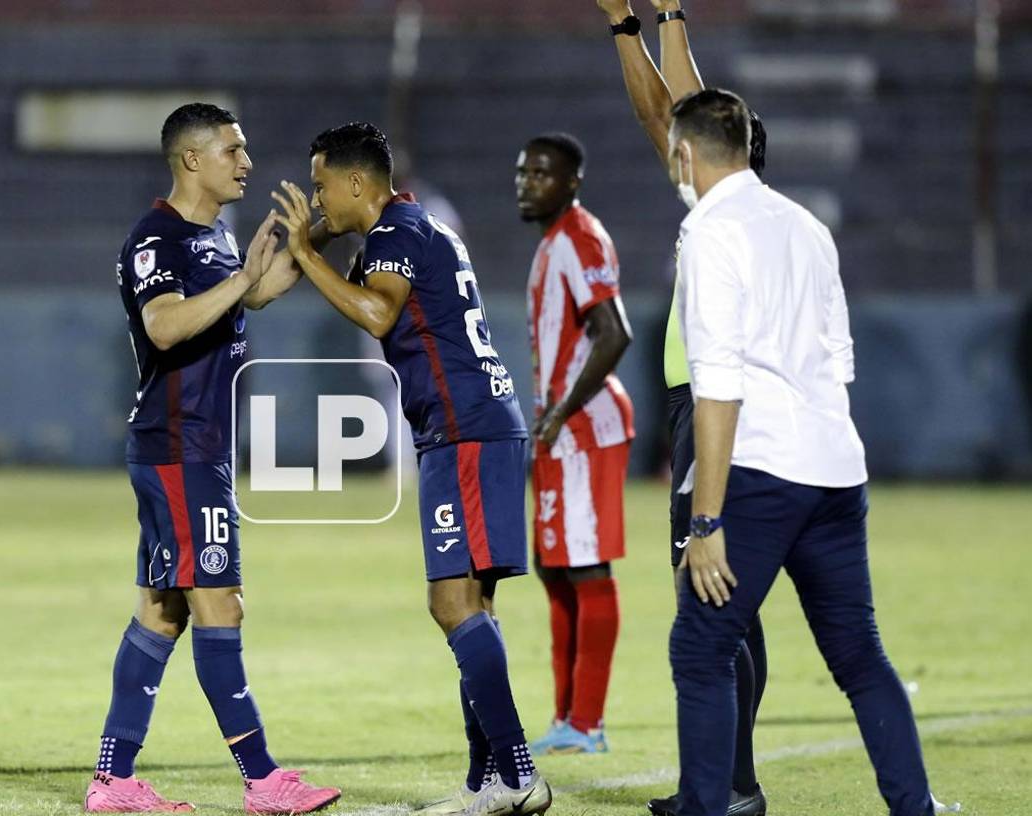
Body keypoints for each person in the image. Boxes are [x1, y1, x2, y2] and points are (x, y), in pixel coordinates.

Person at [666, 87, 938, 816]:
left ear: (683, 153)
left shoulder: (708, 233)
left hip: (760, 473)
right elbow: (838, 362)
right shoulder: (809, 226)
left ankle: (705, 808)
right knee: (858, 657)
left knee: (700, 649)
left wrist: (706, 521)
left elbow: (717, 385)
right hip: (835, 468)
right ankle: (916, 808)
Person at [270, 122, 552, 816]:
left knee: (450, 604)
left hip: (462, 432)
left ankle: (517, 772)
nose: (315, 196)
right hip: (476, 425)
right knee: (474, 609)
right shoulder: (415, 226)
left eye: (321, 183)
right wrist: (325, 237)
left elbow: (375, 311)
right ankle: (489, 781)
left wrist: (307, 253)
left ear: (357, 182)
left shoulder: (394, 233)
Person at [86, 102, 340, 815]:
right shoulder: (157, 239)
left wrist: (315, 231)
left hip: (197, 447)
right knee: (220, 602)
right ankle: (263, 781)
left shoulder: (214, 235)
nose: (247, 163)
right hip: (179, 446)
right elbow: (165, 325)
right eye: (234, 150)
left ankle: (113, 781)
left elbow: (253, 294)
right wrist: (237, 282)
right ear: (192, 159)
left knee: (163, 612)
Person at [594, 2, 768, 811]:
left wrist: (639, 22)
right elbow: (675, 116)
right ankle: (736, 782)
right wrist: (655, 19)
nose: (675, 153)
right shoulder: (744, 210)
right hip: (708, 399)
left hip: (712, 401)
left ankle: (726, 788)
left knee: (707, 589)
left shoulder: (728, 210)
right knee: (726, 597)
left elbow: (665, 114)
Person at [515, 132, 634, 756]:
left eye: (542, 173)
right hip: (558, 429)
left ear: (572, 182)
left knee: (587, 568)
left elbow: (614, 333)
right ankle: (568, 720)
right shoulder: (551, 243)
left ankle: (588, 723)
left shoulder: (580, 237)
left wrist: (561, 412)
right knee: (555, 569)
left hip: (584, 429)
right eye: (523, 172)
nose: (527, 182)